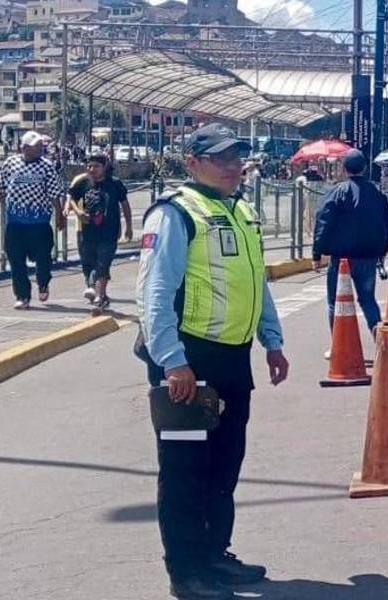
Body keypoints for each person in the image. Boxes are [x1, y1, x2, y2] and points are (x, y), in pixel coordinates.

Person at [136, 123, 289, 600]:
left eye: (236, 157)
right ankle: (186, 571)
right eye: (220, 158)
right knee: (185, 469)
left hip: (231, 359)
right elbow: (154, 294)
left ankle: (214, 554)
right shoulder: (174, 215)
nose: (232, 166)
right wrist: (172, 362)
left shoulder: (241, 210)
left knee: (225, 464)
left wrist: (272, 339)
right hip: (189, 361)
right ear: (193, 162)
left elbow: (255, 280)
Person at [311, 149, 388, 359]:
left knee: (335, 302)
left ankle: (339, 345)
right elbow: (387, 225)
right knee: (368, 300)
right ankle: (380, 340)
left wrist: (317, 253)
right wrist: (382, 252)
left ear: (344, 168)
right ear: (365, 168)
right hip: (368, 257)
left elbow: (323, 221)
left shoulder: (338, 191)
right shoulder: (376, 193)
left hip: (342, 260)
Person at [0, 131, 65, 310]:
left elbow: (54, 194)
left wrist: (59, 214)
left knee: (43, 258)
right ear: (24, 148)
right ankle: (22, 295)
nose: (39, 148)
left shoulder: (46, 166)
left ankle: (43, 282)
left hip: (39, 223)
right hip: (16, 223)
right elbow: (1, 187)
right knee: (16, 259)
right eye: (35, 146)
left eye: (40, 146)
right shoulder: (10, 163)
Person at [66, 153, 132, 309]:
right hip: (87, 232)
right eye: (89, 166)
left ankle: (99, 296)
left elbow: (125, 205)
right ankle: (99, 292)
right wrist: (78, 212)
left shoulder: (115, 184)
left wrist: (128, 227)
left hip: (109, 232)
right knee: (88, 263)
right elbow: (72, 198)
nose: (92, 169)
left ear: (104, 167)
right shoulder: (83, 183)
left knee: (103, 263)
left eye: (96, 166)